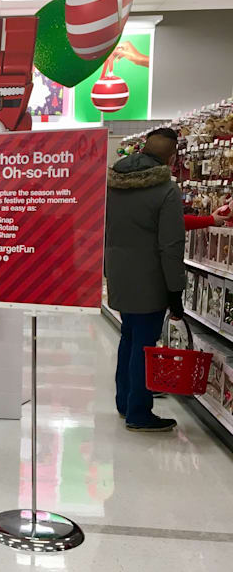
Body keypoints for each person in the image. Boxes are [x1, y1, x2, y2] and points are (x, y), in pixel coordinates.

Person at [105, 127, 186, 431]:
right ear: (171, 156)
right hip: (150, 276)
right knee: (144, 342)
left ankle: (125, 400)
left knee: (129, 336)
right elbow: (171, 244)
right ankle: (139, 411)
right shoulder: (166, 190)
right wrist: (175, 289)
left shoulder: (114, 184)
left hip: (119, 273)